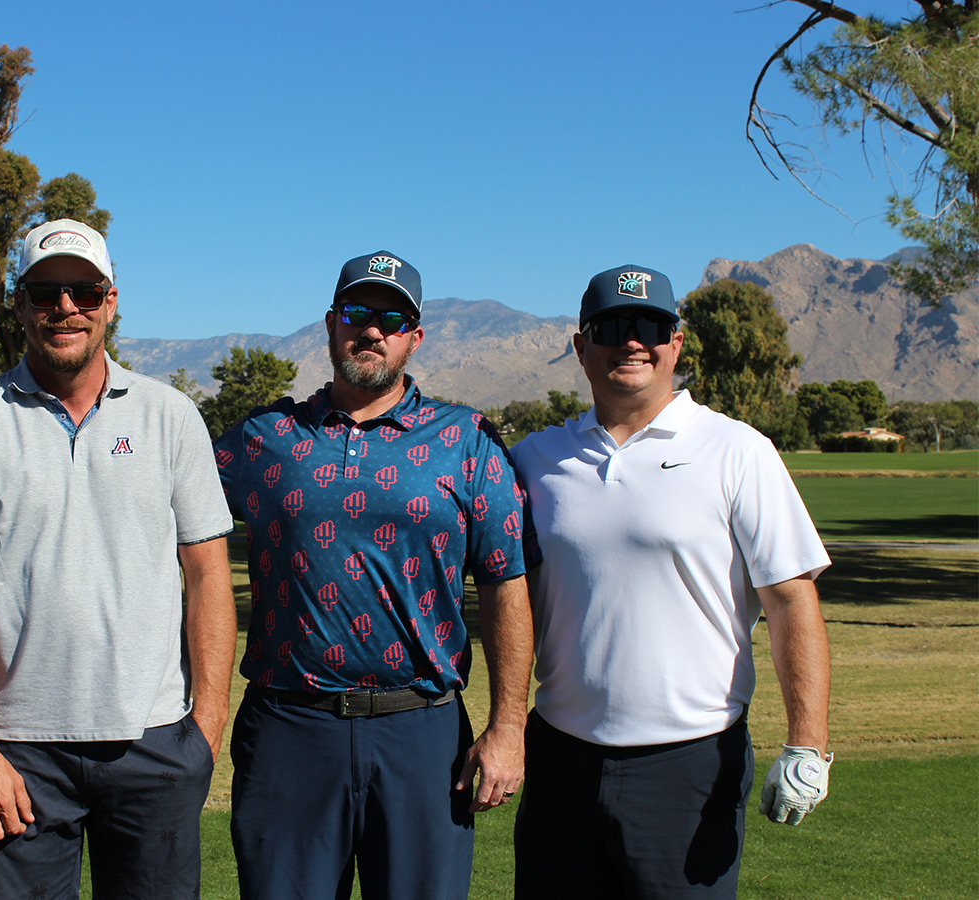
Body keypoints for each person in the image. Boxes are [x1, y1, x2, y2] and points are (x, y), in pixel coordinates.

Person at [0, 219, 236, 900]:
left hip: (155, 740)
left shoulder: (171, 416)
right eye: (45, 292)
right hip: (22, 753)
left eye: (83, 291)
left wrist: (206, 730)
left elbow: (208, 575)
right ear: (19, 303)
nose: (65, 308)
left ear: (110, 300)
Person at [213, 251, 535, 900]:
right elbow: (174, 540)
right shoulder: (263, 440)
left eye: (392, 318)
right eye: (358, 313)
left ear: (414, 337)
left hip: (422, 734)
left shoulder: (467, 441)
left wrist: (508, 725)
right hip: (289, 731)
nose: (372, 330)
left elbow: (507, 583)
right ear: (331, 324)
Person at [510, 264, 833, 899]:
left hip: (688, 765)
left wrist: (809, 744)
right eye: (612, 326)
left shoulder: (737, 450)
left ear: (676, 344)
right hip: (559, 758)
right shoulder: (535, 460)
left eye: (650, 326)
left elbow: (793, 601)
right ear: (580, 347)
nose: (632, 341)